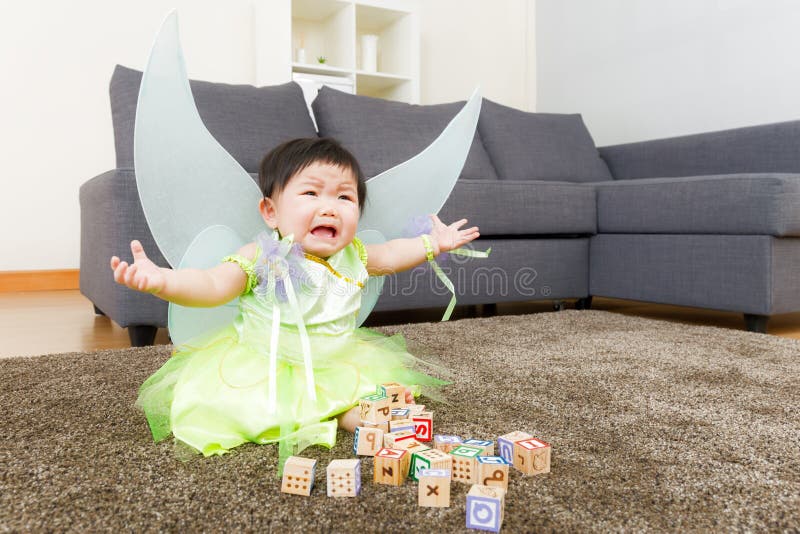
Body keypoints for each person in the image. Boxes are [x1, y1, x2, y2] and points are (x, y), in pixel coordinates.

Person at [110, 137, 480, 461]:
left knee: (374, 389)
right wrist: (162, 281)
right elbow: (211, 284)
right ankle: (339, 415)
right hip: (269, 363)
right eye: (311, 193)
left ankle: (349, 413)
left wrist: (433, 244)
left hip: (336, 358)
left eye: (344, 196)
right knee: (256, 408)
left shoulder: (357, 254)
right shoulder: (262, 255)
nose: (330, 206)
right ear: (271, 212)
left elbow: (395, 253)